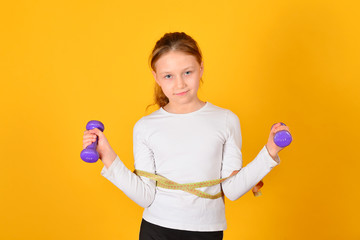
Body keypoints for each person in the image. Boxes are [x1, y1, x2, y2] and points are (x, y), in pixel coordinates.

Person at [82, 32, 290, 240]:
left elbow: (233, 189)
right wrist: (106, 156)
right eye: (168, 76)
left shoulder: (226, 120)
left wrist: (270, 151)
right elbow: (145, 196)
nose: (179, 84)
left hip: (206, 232)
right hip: (156, 230)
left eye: (187, 72)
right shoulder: (145, 127)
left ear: (201, 67)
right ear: (156, 76)